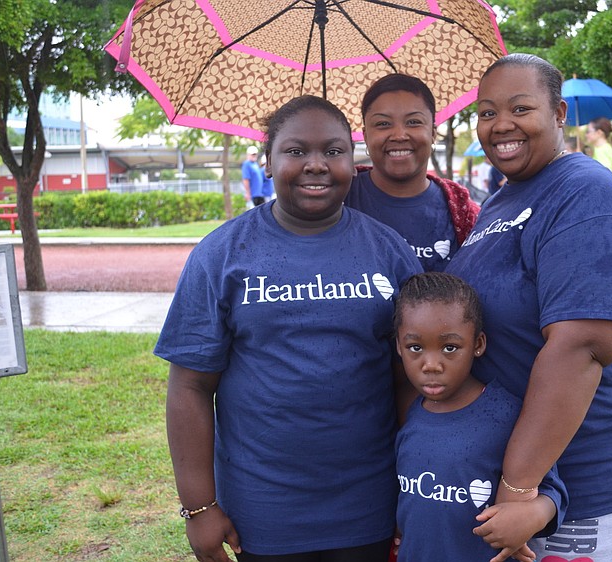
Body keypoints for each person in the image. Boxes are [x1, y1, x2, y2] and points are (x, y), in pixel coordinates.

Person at [155, 95, 422, 561]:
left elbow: (410, 380)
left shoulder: (388, 251)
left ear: (352, 158)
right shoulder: (221, 255)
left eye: (334, 151)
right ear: (268, 160)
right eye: (296, 151)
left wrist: (417, 487)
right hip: (264, 512)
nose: (316, 165)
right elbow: (190, 387)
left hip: (370, 505)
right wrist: (199, 509)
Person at [446, 54, 612, 562]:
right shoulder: (505, 197)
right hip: (522, 469)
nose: (500, 125)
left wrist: (520, 487)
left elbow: (581, 347)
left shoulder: (586, 192)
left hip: (577, 473)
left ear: (559, 112)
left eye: (520, 108)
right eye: (485, 112)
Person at [393, 272, 565, 562]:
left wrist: (532, 515)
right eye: (416, 348)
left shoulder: (505, 414)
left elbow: (553, 491)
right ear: (399, 347)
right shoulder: (410, 412)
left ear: (478, 344)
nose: (431, 364)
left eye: (450, 348)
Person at [344, 73, 479, 272]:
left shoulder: (463, 213)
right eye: (383, 124)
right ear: (365, 135)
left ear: (433, 133)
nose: (399, 135)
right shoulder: (340, 197)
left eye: (413, 122)